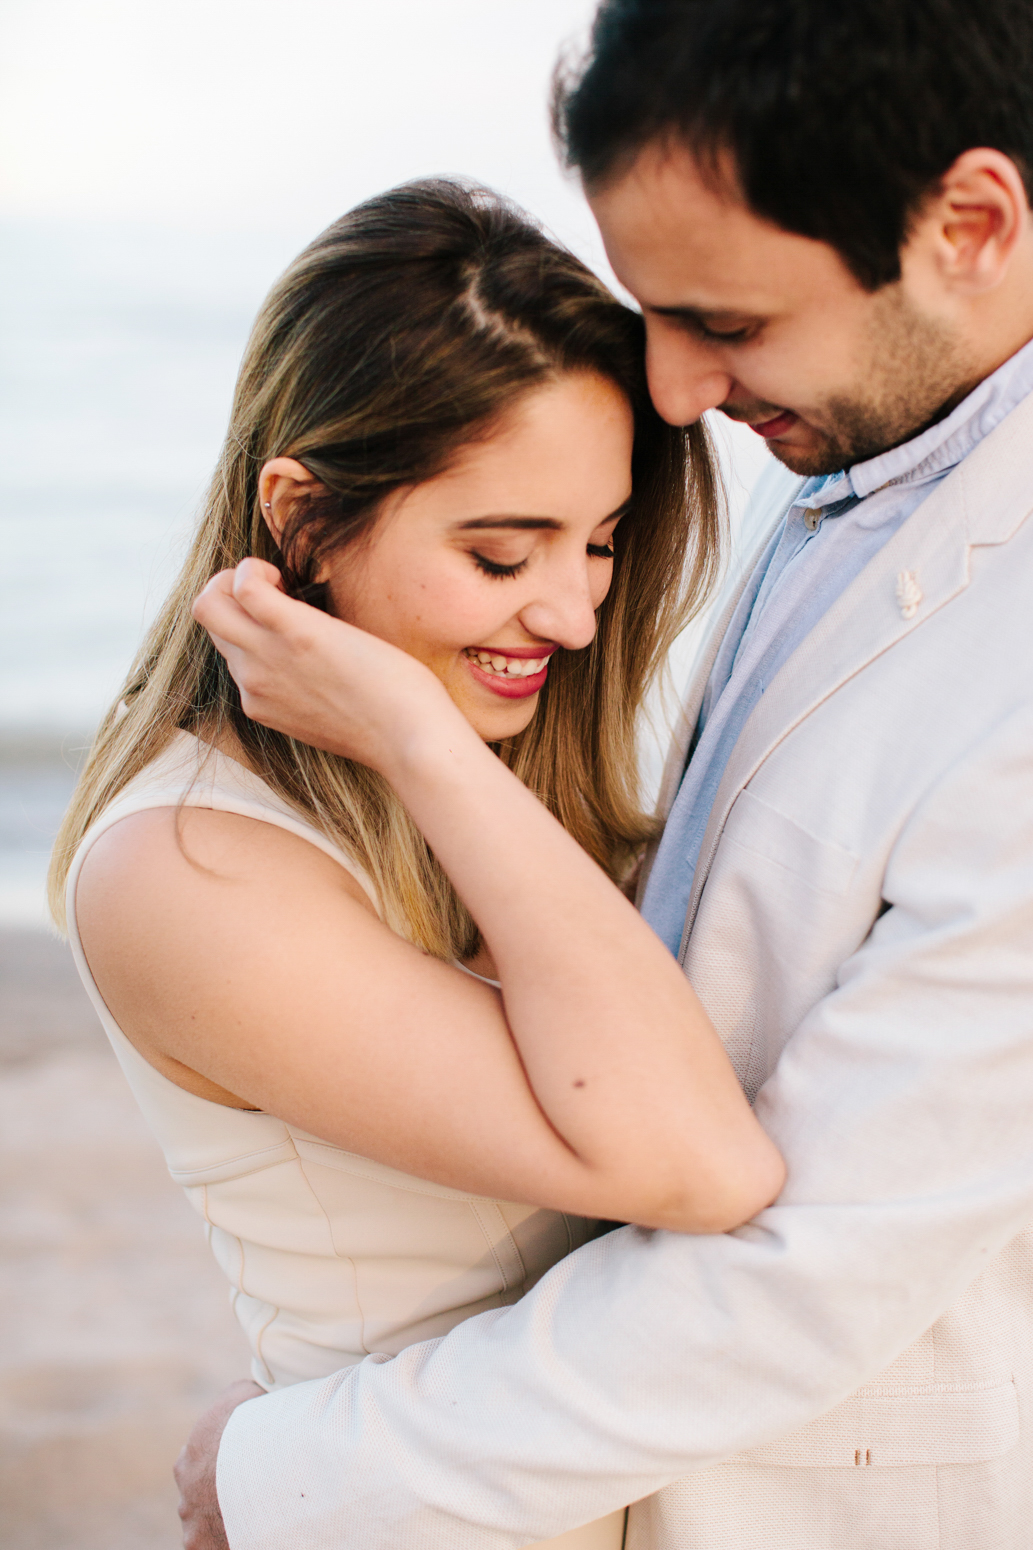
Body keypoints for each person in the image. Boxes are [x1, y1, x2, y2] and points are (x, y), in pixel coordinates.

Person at [173, 1, 1033, 1547]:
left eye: (727, 320)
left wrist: (302, 1477)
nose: (680, 391)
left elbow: (814, 1259)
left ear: (969, 225)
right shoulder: (862, 438)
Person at [50, 179, 785, 1550]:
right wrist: (409, 732)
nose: (569, 609)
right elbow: (695, 1165)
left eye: (602, 541)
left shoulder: (496, 794)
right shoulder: (187, 867)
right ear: (304, 517)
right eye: (501, 550)